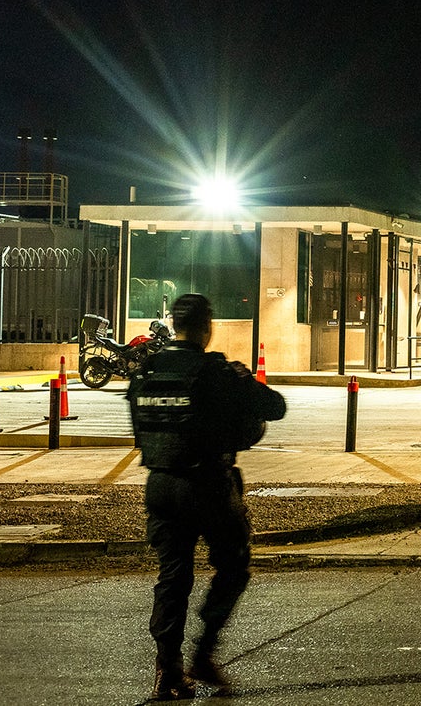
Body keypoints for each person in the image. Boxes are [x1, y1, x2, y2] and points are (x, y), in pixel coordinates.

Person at [127, 294, 287, 700]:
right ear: (207, 326)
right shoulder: (215, 370)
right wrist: (241, 381)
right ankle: (203, 654)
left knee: (172, 578)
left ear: (174, 323)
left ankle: (168, 672)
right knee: (233, 566)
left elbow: (140, 430)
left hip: (160, 484)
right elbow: (275, 407)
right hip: (209, 484)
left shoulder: (147, 369)